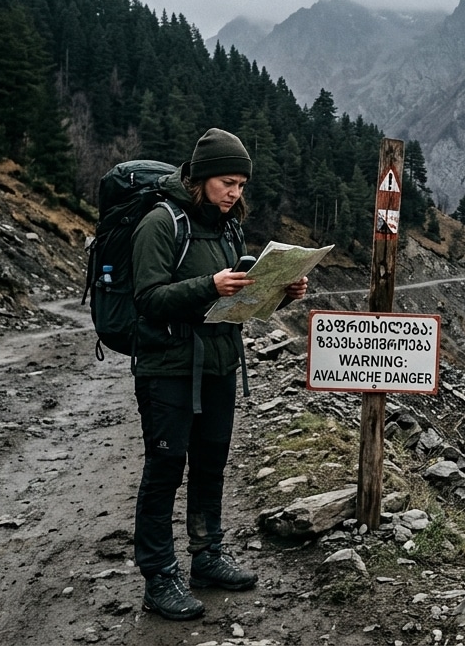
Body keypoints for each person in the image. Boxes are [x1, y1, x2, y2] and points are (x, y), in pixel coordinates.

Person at [129, 128, 308, 620]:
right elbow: (148, 299)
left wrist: (281, 293)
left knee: (210, 464)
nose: (235, 193)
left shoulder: (229, 228)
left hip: (219, 364)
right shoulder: (160, 223)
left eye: (241, 185)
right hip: (167, 368)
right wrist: (209, 284)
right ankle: (158, 577)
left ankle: (207, 556)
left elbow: (238, 302)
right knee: (164, 469)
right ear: (202, 177)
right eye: (227, 182)